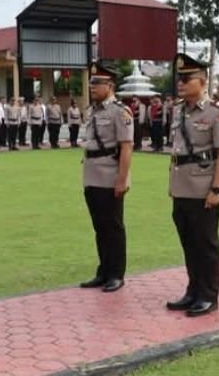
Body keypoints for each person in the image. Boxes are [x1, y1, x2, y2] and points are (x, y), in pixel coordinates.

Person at [166, 53, 219, 317]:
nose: (180, 83)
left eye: (186, 78)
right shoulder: (179, 110)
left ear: (202, 82)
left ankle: (208, 295)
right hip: (181, 186)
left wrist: (216, 189)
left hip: (203, 187)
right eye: (179, 78)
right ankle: (193, 290)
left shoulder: (217, 111)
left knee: (205, 245)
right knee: (189, 244)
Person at [80, 62, 134, 293]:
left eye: (97, 83)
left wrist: (122, 179)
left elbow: (126, 147)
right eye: (91, 82)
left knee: (113, 227)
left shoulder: (119, 112)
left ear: (110, 85)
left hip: (110, 175)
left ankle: (116, 274)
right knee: (99, 227)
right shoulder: (91, 111)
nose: (92, 86)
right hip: (91, 174)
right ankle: (103, 271)